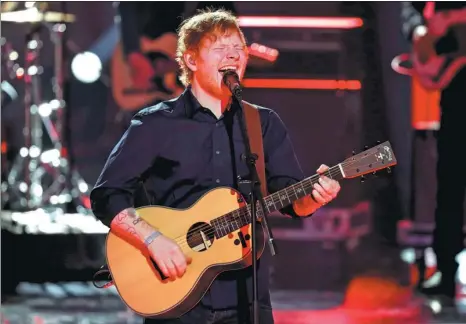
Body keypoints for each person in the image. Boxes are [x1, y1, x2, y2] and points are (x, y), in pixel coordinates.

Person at [91, 9, 342, 324]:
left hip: (247, 297)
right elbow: (108, 195)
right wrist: (153, 241)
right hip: (176, 295)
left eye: (239, 48)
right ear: (192, 60)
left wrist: (314, 197)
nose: (233, 55)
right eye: (220, 48)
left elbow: (292, 201)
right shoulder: (155, 123)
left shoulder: (263, 123)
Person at [401, 1, 466, 303]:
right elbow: (410, 7)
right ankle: (445, 270)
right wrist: (419, 30)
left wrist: (454, 16)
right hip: (456, 85)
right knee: (451, 180)